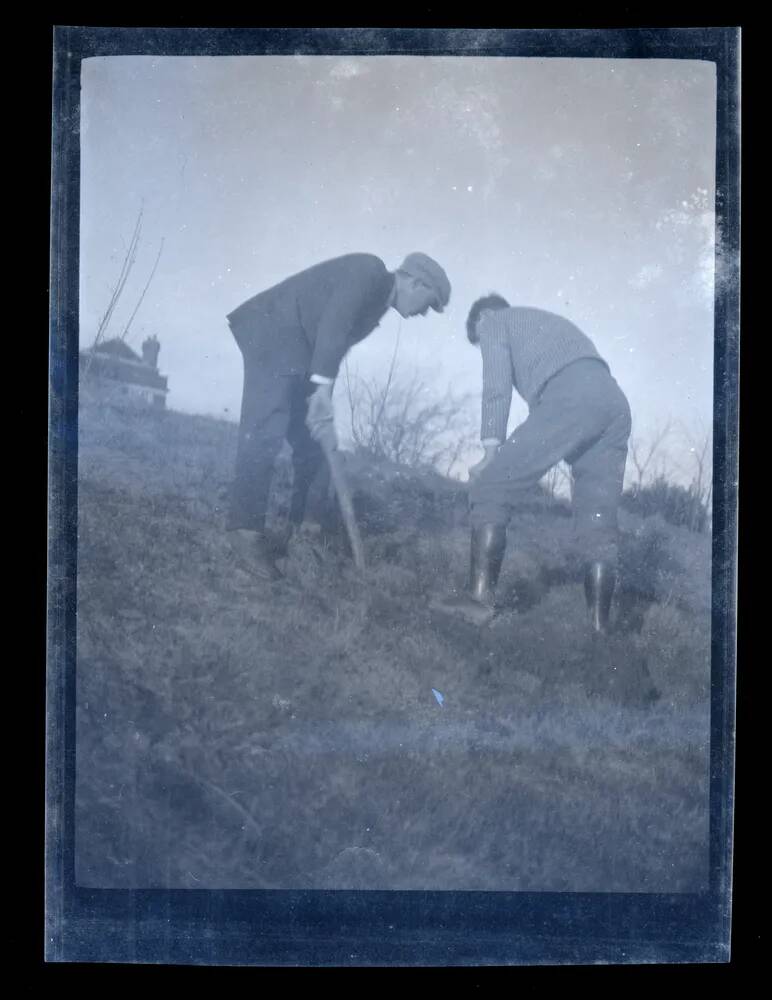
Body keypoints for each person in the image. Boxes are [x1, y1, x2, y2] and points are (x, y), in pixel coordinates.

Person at [225, 252, 451, 578]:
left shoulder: (378, 304)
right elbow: (334, 325)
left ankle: (307, 534)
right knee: (265, 431)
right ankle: (244, 533)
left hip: (300, 349)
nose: (423, 313)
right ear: (415, 282)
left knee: (316, 445)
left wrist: (321, 397)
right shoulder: (369, 271)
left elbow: (335, 343)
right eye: (428, 304)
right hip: (273, 330)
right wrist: (321, 390)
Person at [434, 294, 632, 633]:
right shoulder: (544, 325)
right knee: (598, 523)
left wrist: (490, 452)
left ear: (483, 319)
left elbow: (496, 387)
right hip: (614, 404)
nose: (484, 348)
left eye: (480, 343)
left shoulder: (494, 321)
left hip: (572, 396)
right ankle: (599, 633)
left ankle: (479, 603)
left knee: (491, 486)